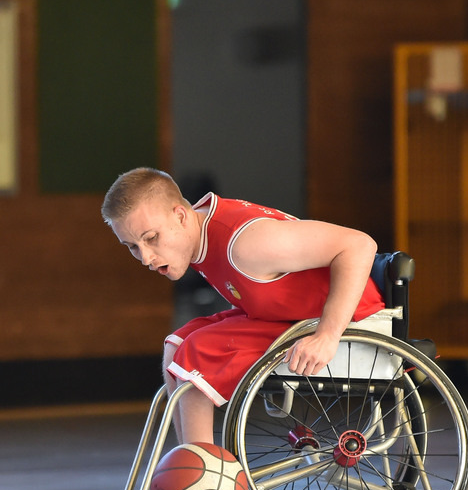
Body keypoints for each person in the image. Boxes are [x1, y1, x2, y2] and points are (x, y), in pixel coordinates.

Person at [101, 168, 383, 445]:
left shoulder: (247, 243)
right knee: (177, 345)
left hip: (344, 317)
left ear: (180, 215)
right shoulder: (199, 232)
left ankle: (203, 477)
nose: (145, 257)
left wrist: (328, 335)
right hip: (285, 314)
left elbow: (359, 245)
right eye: (132, 246)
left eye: (151, 238)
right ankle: (189, 463)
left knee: (198, 350)